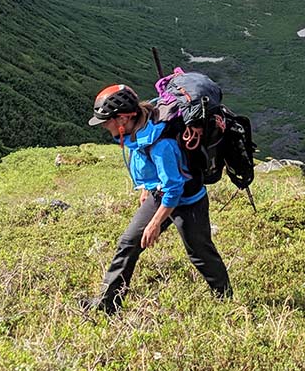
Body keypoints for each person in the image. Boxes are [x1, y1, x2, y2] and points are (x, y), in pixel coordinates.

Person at [84, 83, 232, 313]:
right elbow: (144, 157)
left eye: (106, 121)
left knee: (200, 252)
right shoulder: (139, 128)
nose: (104, 126)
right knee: (128, 244)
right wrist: (147, 186)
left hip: (187, 200)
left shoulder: (161, 144)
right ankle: (107, 304)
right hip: (159, 193)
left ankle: (225, 299)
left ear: (122, 119)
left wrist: (154, 223)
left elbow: (175, 189)